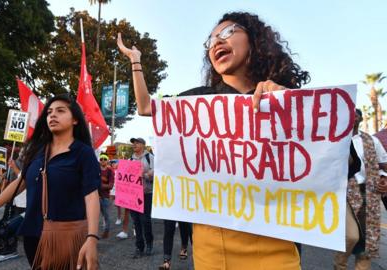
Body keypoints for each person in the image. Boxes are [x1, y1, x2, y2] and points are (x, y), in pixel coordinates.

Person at [118, 11, 310, 269]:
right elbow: (144, 106)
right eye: (211, 40)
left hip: (276, 244)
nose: (217, 42)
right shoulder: (197, 101)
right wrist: (135, 60)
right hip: (213, 244)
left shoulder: (283, 98)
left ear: (254, 40)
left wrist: (292, 110)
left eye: (228, 32)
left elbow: (332, 164)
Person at [0, 93, 100, 270]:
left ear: (75, 120)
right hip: (32, 234)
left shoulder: (83, 153)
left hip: (66, 235)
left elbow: (91, 196)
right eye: (49, 112)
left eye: (60, 111)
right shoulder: (38, 150)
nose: (52, 115)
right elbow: (19, 184)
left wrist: (92, 238)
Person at [333, 109, 387, 270]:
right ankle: (339, 264)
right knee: (351, 236)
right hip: (345, 193)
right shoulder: (336, 140)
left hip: (369, 192)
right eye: (350, 112)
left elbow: (383, 163)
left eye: (357, 113)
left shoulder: (371, 141)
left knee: (368, 242)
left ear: (361, 118)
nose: (354, 116)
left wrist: (384, 177)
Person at [0, 151, 25, 262]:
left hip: (24, 201)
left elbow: (23, 179)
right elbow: (8, 180)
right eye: (21, 151)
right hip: (13, 200)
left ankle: (10, 249)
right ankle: (9, 247)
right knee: (7, 224)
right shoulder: (15, 164)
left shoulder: (30, 163)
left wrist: (14, 167)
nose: (22, 152)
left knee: (11, 226)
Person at [129, 137, 154, 258]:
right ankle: (139, 247)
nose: (134, 145)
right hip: (133, 195)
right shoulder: (130, 159)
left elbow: (156, 172)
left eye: (137, 143)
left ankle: (149, 244)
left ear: (143, 145)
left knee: (145, 220)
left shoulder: (150, 157)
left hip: (146, 193)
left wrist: (145, 174)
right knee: (136, 222)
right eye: (133, 143)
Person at [110, 160, 130, 239]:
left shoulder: (122, 170)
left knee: (134, 213)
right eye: (113, 163)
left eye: (115, 163)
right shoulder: (111, 170)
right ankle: (123, 230)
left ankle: (134, 228)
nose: (114, 164)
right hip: (115, 190)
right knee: (116, 205)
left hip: (125, 190)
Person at [98, 154, 114, 239]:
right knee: (94, 216)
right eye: (101, 159)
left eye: (104, 159)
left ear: (107, 160)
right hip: (95, 197)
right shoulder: (95, 170)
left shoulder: (110, 171)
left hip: (105, 197)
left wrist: (98, 185)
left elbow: (111, 185)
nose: (103, 160)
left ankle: (106, 231)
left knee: (106, 215)